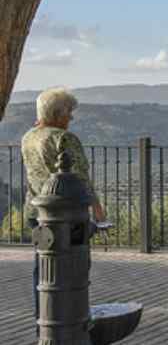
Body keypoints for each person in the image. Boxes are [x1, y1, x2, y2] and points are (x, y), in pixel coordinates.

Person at [21, 88, 107, 324]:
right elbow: (80, 177)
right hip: (67, 216)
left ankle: (45, 320)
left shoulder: (28, 137)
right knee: (74, 267)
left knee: (44, 268)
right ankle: (72, 322)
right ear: (58, 113)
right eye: (69, 111)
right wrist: (97, 208)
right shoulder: (64, 138)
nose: (71, 117)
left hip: (36, 214)